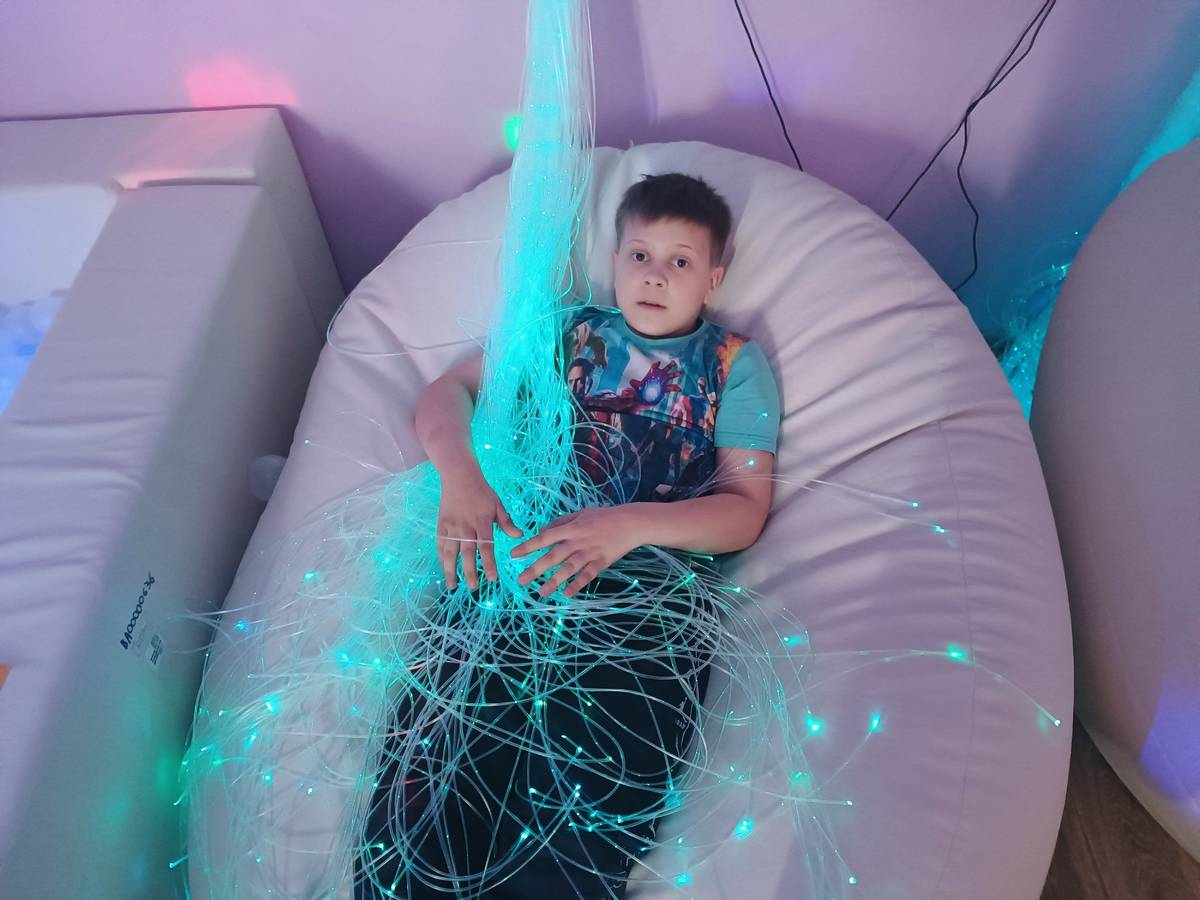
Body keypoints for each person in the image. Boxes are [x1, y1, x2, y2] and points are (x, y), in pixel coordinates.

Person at [356, 172, 781, 899]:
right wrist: (462, 478)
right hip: (520, 568)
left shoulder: (733, 366)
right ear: (614, 263)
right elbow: (447, 393)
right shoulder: (571, 334)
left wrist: (625, 526)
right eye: (640, 255)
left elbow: (744, 509)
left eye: (680, 261)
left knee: (591, 793)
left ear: (713, 278)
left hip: (649, 598)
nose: (655, 275)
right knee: (440, 769)